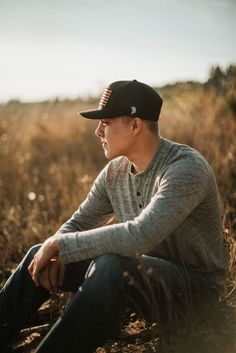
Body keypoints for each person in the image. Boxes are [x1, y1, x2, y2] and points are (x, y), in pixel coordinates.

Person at [0, 80, 228, 353]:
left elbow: (140, 235)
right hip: (142, 280)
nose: (97, 131)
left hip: (196, 293)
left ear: (135, 125)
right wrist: (56, 244)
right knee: (40, 252)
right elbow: (78, 223)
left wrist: (62, 245)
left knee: (110, 265)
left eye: (105, 122)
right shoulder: (114, 173)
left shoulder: (185, 168)